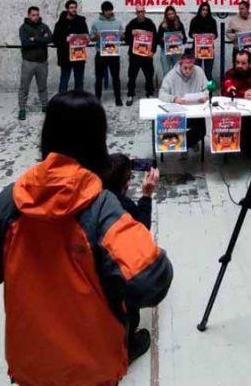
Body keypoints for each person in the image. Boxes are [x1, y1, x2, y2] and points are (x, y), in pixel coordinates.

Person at [0, 92, 174, 385]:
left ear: (47, 134)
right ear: (98, 140)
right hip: (91, 368)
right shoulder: (101, 206)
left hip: (30, 366)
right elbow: (151, 280)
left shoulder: (12, 199)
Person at [102, 153, 160, 363]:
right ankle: (129, 346)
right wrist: (146, 195)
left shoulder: (92, 196)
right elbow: (141, 230)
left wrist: (118, 164)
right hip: (116, 276)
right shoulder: (124, 206)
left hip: (89, 273)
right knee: (128, 304)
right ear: (126, 183)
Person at [223, 50, 251, 157]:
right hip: (237, 108)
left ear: (250, 64)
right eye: (237, 62)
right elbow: (225, 91)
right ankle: (244, 147)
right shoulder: (230, 73)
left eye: (243, 63)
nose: (239, 65)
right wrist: (243, 94)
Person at [158, 52, 208, 149]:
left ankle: (185, 144)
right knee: (177, 131)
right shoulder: (171, 75)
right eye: (185, 68)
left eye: (191, 68)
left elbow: (207, 89)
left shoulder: (199, 71)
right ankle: (183, 145)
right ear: (180, 64)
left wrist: (205, 96)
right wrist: (174, 99)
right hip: (178, 112)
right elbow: (162, 93)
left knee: (202, 131)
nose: (188, 71)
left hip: (196, 110)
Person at [18, 5, 52, 119]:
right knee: (24, 87)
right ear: (28, 15)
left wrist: (35, 38)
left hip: (42, 62)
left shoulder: (44, 26)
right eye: (33, 15)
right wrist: (42, 39)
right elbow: (25, 43)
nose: (36, 17)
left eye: (37, 14)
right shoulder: (23, 28)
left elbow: (50, 39)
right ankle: (22, 109)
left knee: (43, 86)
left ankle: (45, 106)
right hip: (28, 62)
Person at [90, 0, 124, 106]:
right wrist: (96, 36)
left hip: (114, 54)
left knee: (116, 78)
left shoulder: (118, 22)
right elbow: (91, 38)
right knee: (99, 78)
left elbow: (123, 37)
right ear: (103, 11)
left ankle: (118, 98)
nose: (109, 12)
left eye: (110, 10)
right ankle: (97, 99)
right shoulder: (96, 23)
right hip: (101, 53)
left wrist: (122, 35)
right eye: (107, 10)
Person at [52, 0, 89, 93]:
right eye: (71, 7)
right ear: (67, 9)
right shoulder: (60, 24)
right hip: (65, 56)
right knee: (64, 80)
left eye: (75, 7)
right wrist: (66, 39)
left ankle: (78, 99)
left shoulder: (81, 21)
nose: (74, 9)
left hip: (79, 55)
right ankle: (62, 99)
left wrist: (86, 39)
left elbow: (86, 35)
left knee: (79, 81)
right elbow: (55, 40)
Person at [124, 6, 158, 106]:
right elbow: (126, 39)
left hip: (147, 56)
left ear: (145, 12)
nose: (140, 13)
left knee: (149, 76)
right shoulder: (132, 23)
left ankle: (150, 93)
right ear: (136, 13)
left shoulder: (150, 23)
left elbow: (155, 39)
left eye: (142, 11)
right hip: (134, 56)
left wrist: (153, 51)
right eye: (138, 12)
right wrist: (130, 33)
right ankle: (130, 95)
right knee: (132, 76)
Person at [225, 0, 251, 65]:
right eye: (239, 9)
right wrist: (235, 36)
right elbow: (228, 33)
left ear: (248, 9)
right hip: (238, 50)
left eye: (242, 9)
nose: (240, 10)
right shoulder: (233, 20)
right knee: (238, 69)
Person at [189, 2, 218, 81]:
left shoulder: (212, 21)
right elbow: (190, 33)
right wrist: (193, 35)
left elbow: (216, 34)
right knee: (196, 71)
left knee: (208, 72)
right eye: (203, 9)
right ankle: (197, 87)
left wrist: (213, 35)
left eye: (206, 10)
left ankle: (209, 87)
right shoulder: (194, 20)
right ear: (200, 10)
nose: (205, 11)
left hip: (208, 49)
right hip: (197, 49)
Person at [155, 5, 187, 77]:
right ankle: (167, 85)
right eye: (169, 14)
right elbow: (157, 40)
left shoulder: (179, 25)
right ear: (166, 15)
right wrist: (162, 40)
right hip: (165, 52)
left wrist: (182, 38)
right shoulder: (162, 26)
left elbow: (185, 39)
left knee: (177, 72)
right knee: (166, 72)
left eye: (172, 13)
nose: (171, 15)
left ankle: (176, 85)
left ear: (175, 13)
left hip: (177, 52)